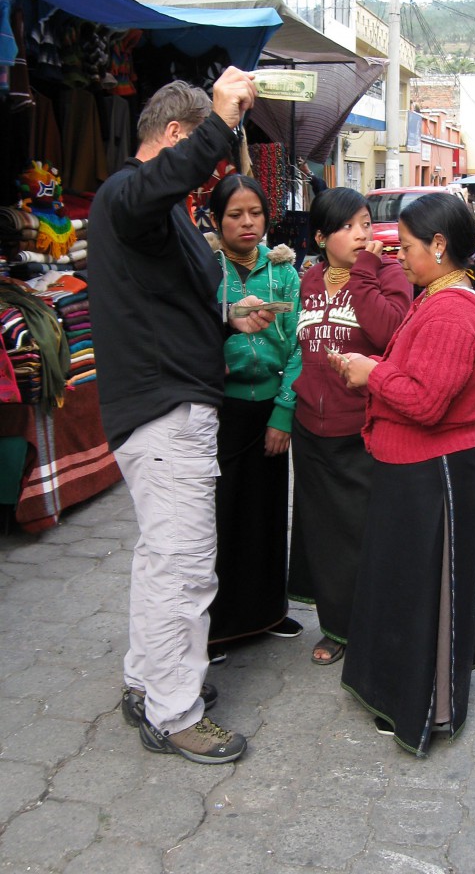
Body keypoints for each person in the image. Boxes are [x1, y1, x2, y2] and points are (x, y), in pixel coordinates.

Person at [89, 69, 275, 765]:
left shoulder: (153, 212)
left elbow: (162, 304)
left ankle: (150, 681)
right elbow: (157, 182)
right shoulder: (127, 196)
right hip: (167, 412)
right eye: (201, 150)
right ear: (175, 137)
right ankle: (175, 711)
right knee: (186, 567)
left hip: (169, 403)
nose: (209, 170)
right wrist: (223, 122)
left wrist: (228, 316)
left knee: (163, 560)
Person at [328, 192, 475, 756]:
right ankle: (403, 688)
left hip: (436, 472)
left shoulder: (453, 309)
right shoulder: (444, 297)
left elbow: (428, 404)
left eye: (405, 247)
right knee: (406, 582)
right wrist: (386, 371)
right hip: (414, 466)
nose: (398, 256)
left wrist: (371, 374)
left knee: (422, 588)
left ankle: (425, 704)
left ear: (439, 245)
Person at [288, 187, 413, 665]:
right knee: (322, 534)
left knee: (363, 533)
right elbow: (297, 350)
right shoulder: (309, 280)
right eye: (348, 226)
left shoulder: (391, 274)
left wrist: (364, 273)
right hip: (310, 429)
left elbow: (388, 333)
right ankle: (336, 627)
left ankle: (371, 622)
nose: (362, 233)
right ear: (321, 237)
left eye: (365, 222)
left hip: (361, 430)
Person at [206, 174, 303, 663]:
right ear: (215, 220)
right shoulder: (203, 268)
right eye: (235, 215)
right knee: (221, 518)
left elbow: (301, 346)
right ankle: (219, 627)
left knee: (267, 513)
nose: (247, 224)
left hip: (269, 412)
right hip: (219, 414)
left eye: (256, 214)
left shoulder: (283, 271)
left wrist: (283, 414)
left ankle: (266, 612)